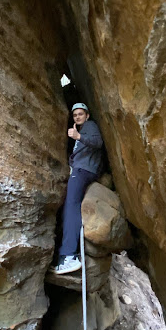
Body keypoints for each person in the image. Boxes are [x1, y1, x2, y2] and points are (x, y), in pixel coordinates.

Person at [53, 103, 103, 274]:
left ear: (87, 115)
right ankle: (65, 254)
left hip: (83, 171)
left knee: (71, 206)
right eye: (75, 115)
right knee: (69, 206)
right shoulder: (83, 129)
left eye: (80, 114)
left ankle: (69, 256)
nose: (78, 117)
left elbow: (98, 142)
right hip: (80, 169)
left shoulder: (90, 126)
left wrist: (78, 136)